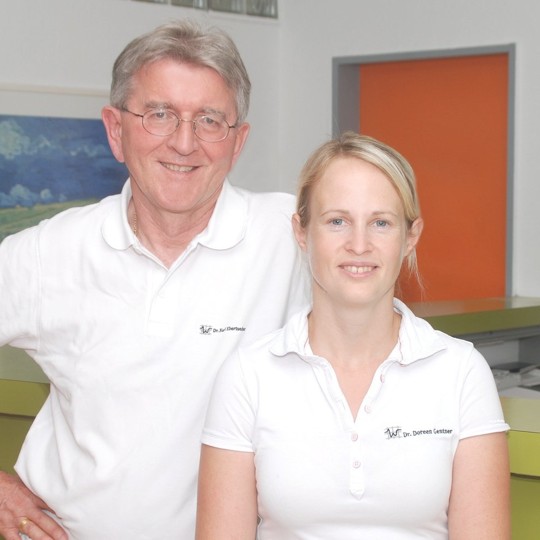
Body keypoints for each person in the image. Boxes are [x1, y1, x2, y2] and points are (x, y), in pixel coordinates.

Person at [0, 20, 308, 540]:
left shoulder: (293, 237)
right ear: (115, 130)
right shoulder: (47, 252)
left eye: (209, 120)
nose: (184, 143)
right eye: (159, 114)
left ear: (237, 142)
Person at [196, 132, 511, 539]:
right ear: (302, 232)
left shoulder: (462, 372)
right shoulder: (247, 377)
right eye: (337, 221)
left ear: (410, 236)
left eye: (381, 223)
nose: (359, 245)